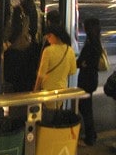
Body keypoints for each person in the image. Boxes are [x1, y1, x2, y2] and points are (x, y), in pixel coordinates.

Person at [4, 0, 42, 93]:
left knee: (16, 81)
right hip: (31, 47)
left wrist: (8, 43)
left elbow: (16, 30)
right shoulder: (35, 9)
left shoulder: (18, 9)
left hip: (18, 49)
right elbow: (34, 29)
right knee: (26, 80)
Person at [34, 25, 77, 109]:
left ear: (56, 36)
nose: (48, 39)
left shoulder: (48, 51)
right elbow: (72, 71)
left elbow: (41, 75)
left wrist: (35, 91)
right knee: (57, 114)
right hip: (62, 91)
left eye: (49, 36)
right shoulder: (70, 50)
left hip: (48, 91)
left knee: (47, 117)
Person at [77, 18, 102, 146]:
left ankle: (90, 137)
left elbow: (81, 61)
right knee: (87, 107)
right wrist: (83, 63)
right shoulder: (96, 42)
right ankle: (92, 134)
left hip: (86, 80)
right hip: (92, 78)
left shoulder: (90, 44)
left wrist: (81, 63)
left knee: (85, 108)